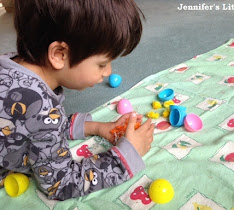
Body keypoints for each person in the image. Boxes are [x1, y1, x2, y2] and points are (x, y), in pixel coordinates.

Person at [0, 0, 154, 200]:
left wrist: (96, 127)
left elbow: (33, 130)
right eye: (102, 64)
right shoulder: (41, 108)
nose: (108, 73)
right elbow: (61, 184)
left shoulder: (10, 65)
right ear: (59, 54)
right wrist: (127, 155)